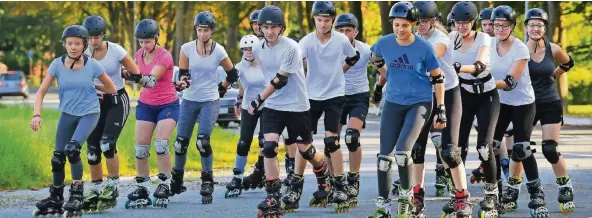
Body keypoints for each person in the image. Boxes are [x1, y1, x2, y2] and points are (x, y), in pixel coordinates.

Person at [366, 2, 447, 217]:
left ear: (413, 24)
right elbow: (375, 58)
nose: (400, 29)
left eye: (405, 25)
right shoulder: (383, 43)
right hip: (393, 102)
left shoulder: (424, 48)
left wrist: (441, 108)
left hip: (419, 103)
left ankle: (406, 198)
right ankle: (383, 207)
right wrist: (385, 77)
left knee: (402, 152)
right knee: (384, 157)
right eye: (396, 25)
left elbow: (438, 78)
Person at [249, 5, 328, 217]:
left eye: (274, 27)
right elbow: (250, 66)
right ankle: (273, 195)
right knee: (269, 147)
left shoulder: (291, 47)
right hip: (273, 106)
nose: (270, 31)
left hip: (296, 106)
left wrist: (258, 99)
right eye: (266, 27)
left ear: (282, 28)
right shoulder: (257, 47)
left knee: (305, 150)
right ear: (260, 28)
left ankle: (323, 171)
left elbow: (280, 79)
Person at [31, 25, 117, 218]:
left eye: (77, 43)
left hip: (89, 113)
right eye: (69, 43)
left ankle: (77, 194)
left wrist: (92, 86)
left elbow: (111, 88)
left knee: (72, 149)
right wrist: (36, 114)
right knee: (57, 157)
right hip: (67, 114)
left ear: (84, 45)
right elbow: (41, 92)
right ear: (65, 44)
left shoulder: (93, 65)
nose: (73, 47)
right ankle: (56, 197)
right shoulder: (56, 64)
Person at [296, 1, 360, 213]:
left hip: (334, 94)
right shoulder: (306, 41)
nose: (323, 24)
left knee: (331, 141)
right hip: (311, 95)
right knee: (302, 141)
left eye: (327, 20)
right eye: (319, 20)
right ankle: (295, 183)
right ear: (314, 20)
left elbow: (354, 56)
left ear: (333, 21)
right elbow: (293, 63)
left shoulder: (341, 40)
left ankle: (340, 184)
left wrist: (338, 72)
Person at [169, 11, 237, 205]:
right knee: (180, 143)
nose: (203, 34)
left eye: (206, 30)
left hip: (210, 100)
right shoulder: (186, 49)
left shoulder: (219, 51)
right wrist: (183, 82)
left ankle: (207, 181)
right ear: (195, 30)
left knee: (202, 142)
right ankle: (177, 180)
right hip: (189, 99)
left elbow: (233, 73)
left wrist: (221, 88)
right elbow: (182, 74)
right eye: (200, 30)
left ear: (212, 31)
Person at [488, 6, 549, 218]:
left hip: (522, 102)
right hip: (500, 103)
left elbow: (510, 82)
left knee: (521, 148)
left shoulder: (520, 49)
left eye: (504, 26)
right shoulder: (488, 46)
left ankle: (537, 194)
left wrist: (484, 84)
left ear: (512, 27)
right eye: (496, 25)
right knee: (491, 147)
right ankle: (495, 194)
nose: (500, 29)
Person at [81, 15, 140, 213]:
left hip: (116, 100)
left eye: (96, 37)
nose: (92, 42)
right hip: (94, 103)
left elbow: (135, 72)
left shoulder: (116, 50)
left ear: (103, 35)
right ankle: (96, 188)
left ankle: (112, 186)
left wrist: (127, 74)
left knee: (107, 144)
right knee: (92, 150)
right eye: (89, 38)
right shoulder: (83, 51)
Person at [124, 19, 183, 209]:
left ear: (156, 38)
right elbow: (131, 73)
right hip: (146, 105)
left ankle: (164, 184)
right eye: (141, 42)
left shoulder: (165, 56)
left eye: (148, 41)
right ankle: (142, 187)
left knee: (161, 144)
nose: (144, 45)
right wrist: (123, 73)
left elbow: (150, 81)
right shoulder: (139, 54)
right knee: (140, 149)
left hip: (168, 105)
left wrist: (133, 75)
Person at [449, 1, 501, 218]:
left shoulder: (484, 38)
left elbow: (479, 65)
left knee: (484, 148)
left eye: (465, 23)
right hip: (463, 95)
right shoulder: (451, 38)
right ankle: (460, 195)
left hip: (486, 96)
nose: (461, 26)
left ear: (474, 22)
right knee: (456, 149)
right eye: (458, 22)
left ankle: (492, 194)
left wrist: (458, 67)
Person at [523, 8, 575, 215]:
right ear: (526, 27)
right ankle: (519, 188)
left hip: (550, 102)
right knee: (522, 148)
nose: (536, 28)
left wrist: (553, 76)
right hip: (527, 103)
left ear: (545, 28)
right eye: (532, 25)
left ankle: (565, 186)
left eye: (540, 25)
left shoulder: (553, 48)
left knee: (549, 149)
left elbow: (568, 62)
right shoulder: (519, 49)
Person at [334, 12, 379, 208]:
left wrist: (379, 89)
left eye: (348, 31)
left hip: (358, 97)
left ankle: (353, 179)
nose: (344, 34)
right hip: (335, 96)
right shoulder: (331, 50)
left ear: (356, 32)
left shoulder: (366, 50)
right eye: (340, 30)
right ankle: (335, 180)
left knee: (352, 137)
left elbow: (384, 71)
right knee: (331, 142)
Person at [225, 34, 267, 198]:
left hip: (267, 106)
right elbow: (242, 83)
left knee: (265, 142)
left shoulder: (266, 64)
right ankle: (237, 178)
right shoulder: (240, 66)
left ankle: (268, 176)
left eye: (251, 49)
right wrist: (239, 100)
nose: (248, 52)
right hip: (248, 106)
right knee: (243, 142)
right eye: (245, 49)